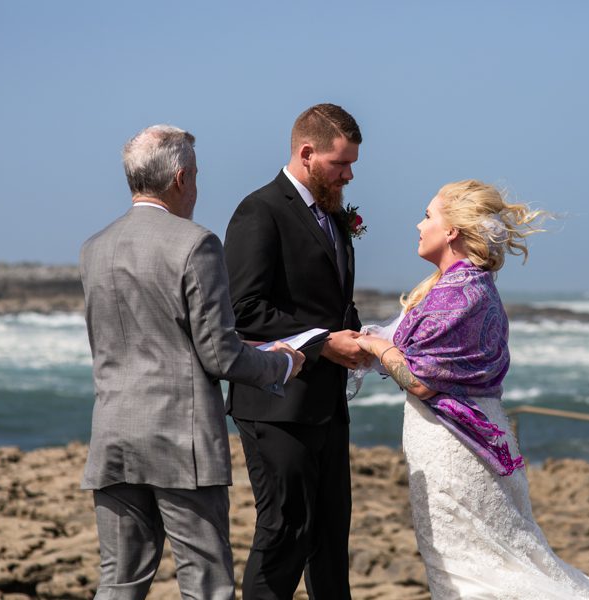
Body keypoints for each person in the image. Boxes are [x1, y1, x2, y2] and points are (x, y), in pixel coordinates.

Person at [355, 180, 589, 600]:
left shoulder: (458, 293)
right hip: (470, 438)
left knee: (471, 570)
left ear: (452, 231)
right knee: (486, 562)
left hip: (455, 448)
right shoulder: (462, 285)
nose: (418, 225)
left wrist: (375, 347)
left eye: (427, 216)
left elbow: (419, 380)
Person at [80, 124, 305, 600]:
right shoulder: (195, 242)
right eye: (197, 176)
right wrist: (282, 364)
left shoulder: (94, 247)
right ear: (181, 178)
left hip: (113, 432)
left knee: (118, 581)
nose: (198, 188)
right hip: (179, 438)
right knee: (206, 583)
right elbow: (219, 354)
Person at [223, 103, 368, 599]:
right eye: (339, 163)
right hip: (276, 406)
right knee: (286, 531)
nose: (348, 175)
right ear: (306, 153)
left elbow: (331, 304)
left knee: (330, 536)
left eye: (351, 164)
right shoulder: (259, 211)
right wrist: (324, 342)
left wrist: (362, 337)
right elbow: (243, 310)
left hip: (328, 405)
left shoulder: (335, 217)